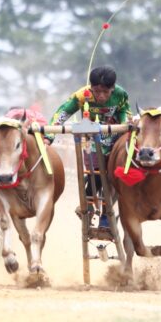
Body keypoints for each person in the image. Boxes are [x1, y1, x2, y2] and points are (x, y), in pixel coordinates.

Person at [46, 66, 131, 228]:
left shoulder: (120, 94)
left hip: (114, 138)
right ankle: (88, 204)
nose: (101, 96)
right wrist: (49, 136)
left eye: (106, 92)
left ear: (112, 88)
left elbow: (124, 111)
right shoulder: (81, 96)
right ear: (91, 88)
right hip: (90, 139)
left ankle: (106, 216)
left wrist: (125, 124)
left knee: (113, 177)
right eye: (97, 91)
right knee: (97, 172)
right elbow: (63, 113)